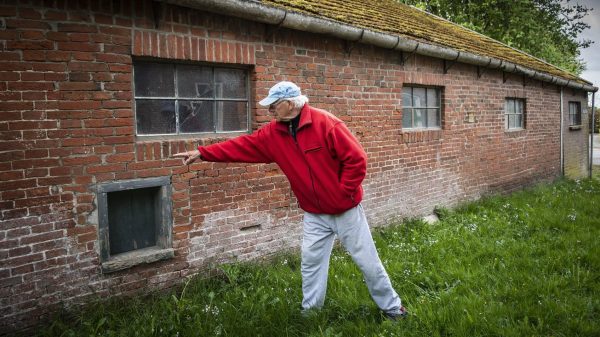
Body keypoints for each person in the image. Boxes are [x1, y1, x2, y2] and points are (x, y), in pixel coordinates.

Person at [173, 81, 407, 320]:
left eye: (274, 105)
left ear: (290, 103)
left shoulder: (326, 123)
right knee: (311, 264)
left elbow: (357, 159)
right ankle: (311, 313)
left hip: (346, 211)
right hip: (314, 213)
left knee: (368, 262)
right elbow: (243, 146)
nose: (270, 111)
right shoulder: (273, 134)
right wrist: (203, 153)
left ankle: (393, 308)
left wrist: (343, 193)